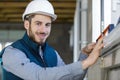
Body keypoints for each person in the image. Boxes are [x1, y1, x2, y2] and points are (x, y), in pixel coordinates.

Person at [0, 0, 104, 80]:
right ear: (27, 24)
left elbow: (70, 78)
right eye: (38, 23)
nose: (43, 30)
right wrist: (87, 62)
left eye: (47, 25)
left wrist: (84, 55)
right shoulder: (12, 53)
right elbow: (39, 76)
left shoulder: (52, 53)